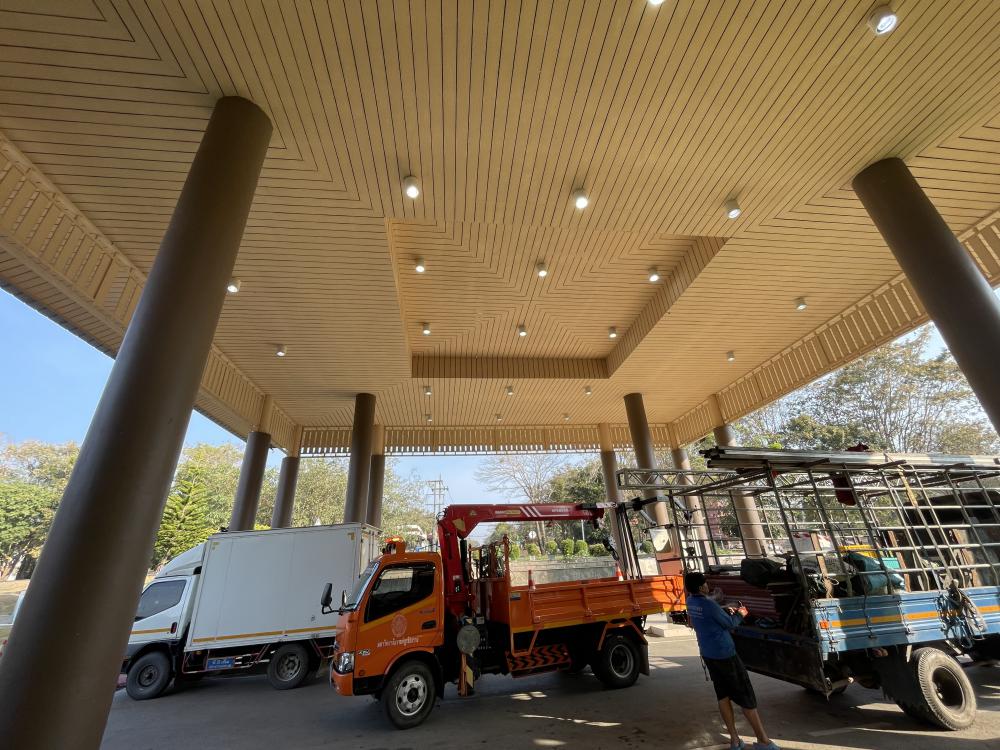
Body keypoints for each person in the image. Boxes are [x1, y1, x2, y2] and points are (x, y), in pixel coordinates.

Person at [685, 571, 779, 750]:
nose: (707, 586)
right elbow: (729, 624)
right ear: (701, 587)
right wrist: (741, 613)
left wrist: (723, 609)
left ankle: (735, 740)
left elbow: (710, 613)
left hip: (709, 655)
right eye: (705, 583)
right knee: (746, 697)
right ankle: (763, 741)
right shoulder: (708, 604)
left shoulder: (691, 602)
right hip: (725, 655)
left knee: (723, 696)